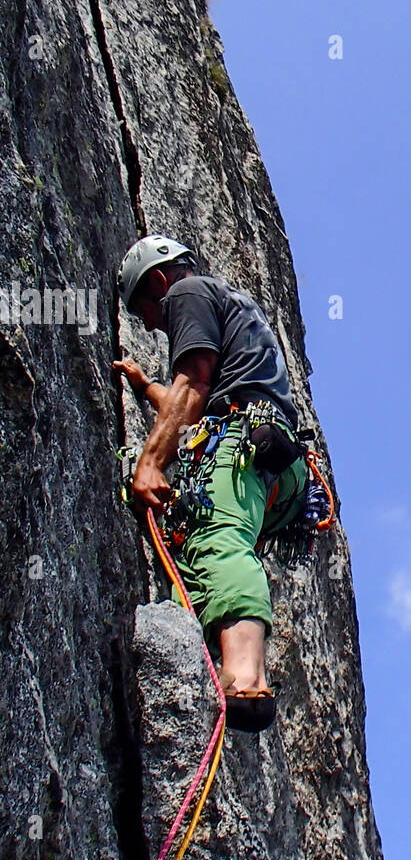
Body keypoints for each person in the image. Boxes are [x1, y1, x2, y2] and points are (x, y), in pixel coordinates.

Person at [113, 234, 309, 732]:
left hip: (243, 448)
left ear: (158, 281)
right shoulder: (230, 308)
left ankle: (244, 680)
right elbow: (192, 400)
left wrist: (152, 461)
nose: (153, 325)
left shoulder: (187, 293)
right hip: (271, 463)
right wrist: (146, 387)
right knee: (205, 546)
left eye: (146, 311)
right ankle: (210, 657)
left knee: (218, 538)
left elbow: (195, 384)